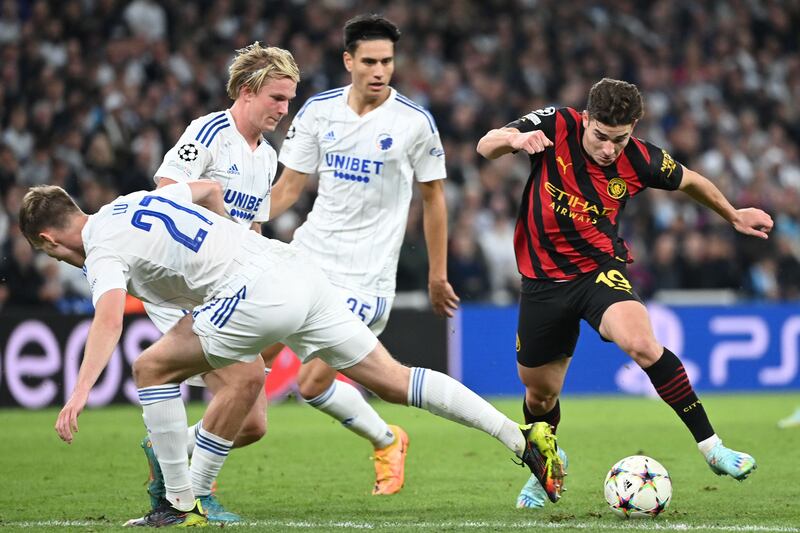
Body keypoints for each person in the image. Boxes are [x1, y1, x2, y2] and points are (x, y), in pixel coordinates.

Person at [24, 182, 557, 527]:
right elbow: (207, 190)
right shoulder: (132, 201)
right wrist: (227, 241)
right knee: (395, 379)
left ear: (49, 240)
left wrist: (78, 392)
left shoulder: (100, 249)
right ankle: (521, 436)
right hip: (293, 269)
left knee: (152, 367)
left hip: (253, 290)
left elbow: (110, 318)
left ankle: (179, 503)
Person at [476, 78, 772, 509]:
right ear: (586, 119)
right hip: (541, 282)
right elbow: (486, 146)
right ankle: (547, 469)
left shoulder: (641, 158)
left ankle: (713, 448)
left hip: (598, 272)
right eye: (601, 136)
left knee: (641, 343)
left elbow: (690, 181)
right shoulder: (556, 124)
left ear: (633, 128)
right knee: (539, 395)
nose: (609, 149)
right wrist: (515, 139)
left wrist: (731, 214)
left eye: (620, 138)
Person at [263, 13, 459, 496]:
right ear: (348, 60)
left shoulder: (414, 123)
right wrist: (242, 220)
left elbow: (434, 198)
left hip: (363, 278)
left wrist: (438, 275)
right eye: (369, 61)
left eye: (387, 62)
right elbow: (288, 188)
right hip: (306, 256)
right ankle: (388, 439)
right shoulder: (317, 112)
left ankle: (388, 440)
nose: (379, 71)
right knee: (251, 357)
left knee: (311, 383)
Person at [137, 42, 300, 522]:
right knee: (247, 378)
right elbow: (165, 195)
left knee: (250, 424)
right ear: (248, 92)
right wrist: (213, 224)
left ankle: (166, 446)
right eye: (277, 97)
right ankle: (195, 495)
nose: (283, 109)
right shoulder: (208, 132)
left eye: (289, 100)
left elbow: (252, 230)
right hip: (182, 284)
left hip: (225, 288)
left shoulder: (267, 156)